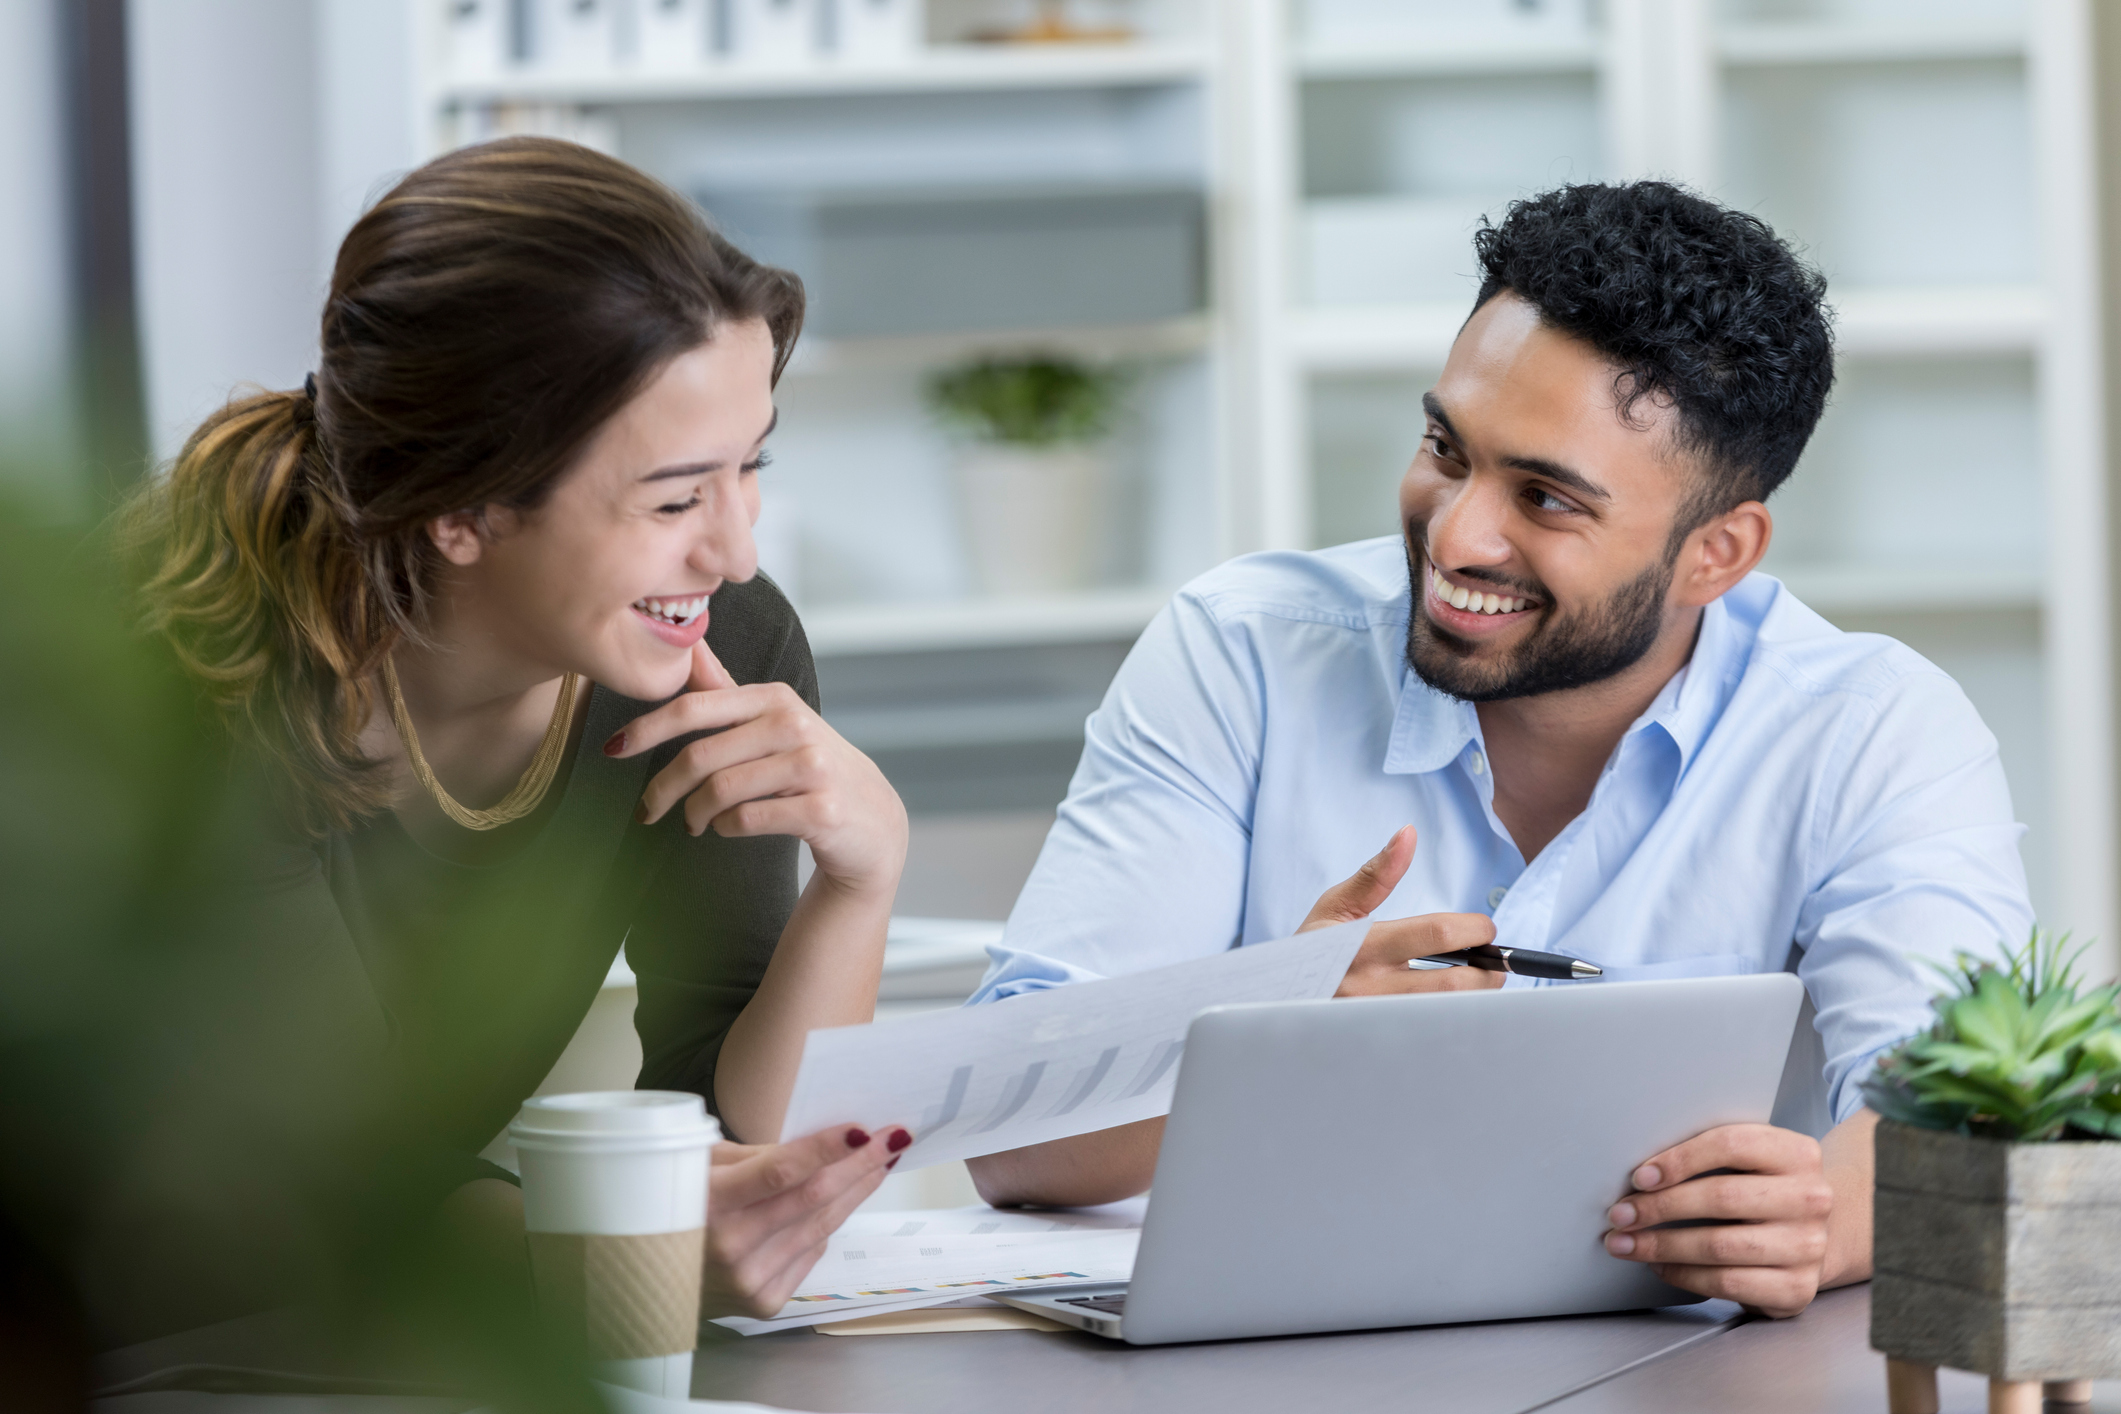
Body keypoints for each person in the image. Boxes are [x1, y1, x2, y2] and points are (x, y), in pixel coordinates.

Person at [962, 182, 2033, 1320]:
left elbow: (1974, 1114)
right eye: (1446, 448)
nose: (1458, 533)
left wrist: (1821, 1216)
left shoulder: (1872, 728)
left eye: (1547, 498)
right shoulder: (1244, 652)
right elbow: (1006, 1133)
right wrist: (1272, 1041)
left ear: (1715, 553)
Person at [122, 136, 909, 1325]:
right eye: (676, 496)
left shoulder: (720, 645)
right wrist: (622, 1255)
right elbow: (309, 1195)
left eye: (750, 468)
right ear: (464, 509)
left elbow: (737, 1135)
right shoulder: (196, 692)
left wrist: (861, 878)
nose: (735, 548)